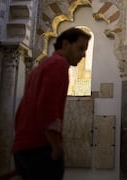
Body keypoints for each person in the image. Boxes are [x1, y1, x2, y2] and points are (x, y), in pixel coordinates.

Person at [12, 27, 91, 180]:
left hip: (23, 147)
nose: (84, 55)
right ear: (66, 44)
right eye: (81, 48)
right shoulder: (58, 65)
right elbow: (47, 107)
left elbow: (22, 110)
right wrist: (55, 145)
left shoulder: (41, 67)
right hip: (40, 147)